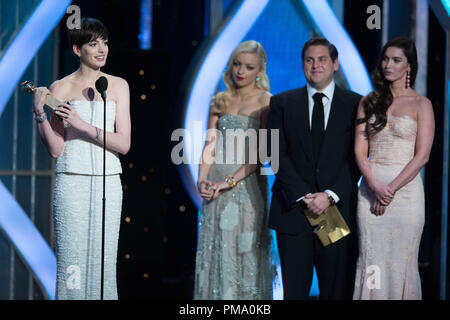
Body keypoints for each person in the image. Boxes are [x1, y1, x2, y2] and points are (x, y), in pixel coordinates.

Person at [31, 17, 131, 299]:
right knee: (72, 265)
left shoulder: (118, 86)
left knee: (102, 264)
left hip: (107, 183)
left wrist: (82, 124)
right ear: (77, 50)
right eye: (93, 43)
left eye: (105, 42)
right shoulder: (60, 88)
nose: (102, 49)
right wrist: (40, 114)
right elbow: (55, 149)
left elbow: (124, 143)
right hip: (71, 182)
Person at [267, 38, 361, 299]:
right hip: (294, 211)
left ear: (335, 64)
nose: (315, 65)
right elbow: (273, 153)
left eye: (322, 59)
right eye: (309, 60)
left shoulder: (356, 104)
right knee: (294, 293)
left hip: (335, 214)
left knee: (335, 291)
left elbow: (360, 157)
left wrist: (328, 195)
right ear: (302, 65)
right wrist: (305, 196)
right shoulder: (282, 103)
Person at [353, 37, 434, 300]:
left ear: (409, 66)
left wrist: (389, 190)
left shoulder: (422, 104)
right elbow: (359, 149)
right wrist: (376, 187)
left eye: (396, 60)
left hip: (406, 195)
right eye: (386, 59)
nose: (388, 65)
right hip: (370, 190)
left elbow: (422, 156)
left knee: (402, 262)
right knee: (371, 258)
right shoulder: (369, 101)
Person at [194, 40, 275, 300]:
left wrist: (228, 182)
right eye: (237, 64)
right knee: (216, 251)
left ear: (260, 70)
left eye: (249, 67)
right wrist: (202, 179)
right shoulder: (220, 100)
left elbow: (261, 154)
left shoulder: (267, 102)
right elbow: (210, 143)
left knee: (245, 252)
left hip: (247, 188)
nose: (241, 71)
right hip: (215, 187)